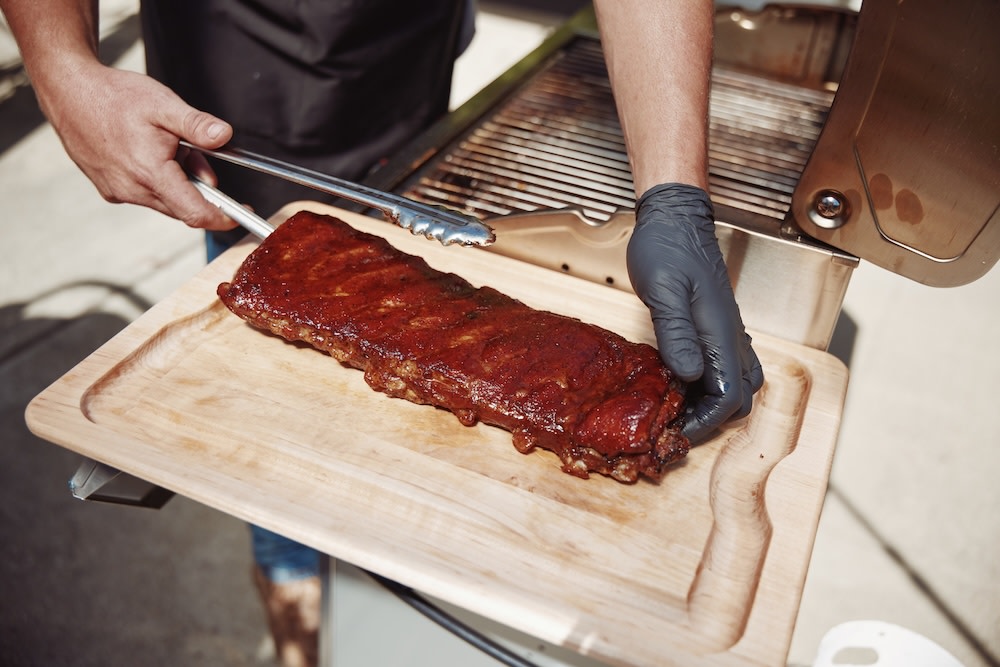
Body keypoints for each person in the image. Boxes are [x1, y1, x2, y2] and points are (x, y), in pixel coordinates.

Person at [0, 0, 762, 665]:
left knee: (427, 288)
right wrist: (62, 66)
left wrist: (673, 195)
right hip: (227, 83)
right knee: (272, 460)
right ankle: (303, 649)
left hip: (404, 69)